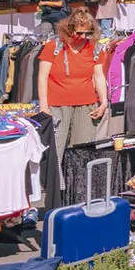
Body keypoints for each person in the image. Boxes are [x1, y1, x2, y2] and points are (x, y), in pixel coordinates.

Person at [37, 13, 108, 185]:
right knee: (56, 150)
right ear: (69, 30)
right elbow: (42, 77)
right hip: (57, 105)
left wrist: (104, 101)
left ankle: (81, 189)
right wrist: (43, 105)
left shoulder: (95, 48)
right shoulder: (54, 46)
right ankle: (57, 190)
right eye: (79, 33)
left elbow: (99, 76)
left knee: (83, 150)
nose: (83, 37)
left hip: (86, 105)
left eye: (87, 33)